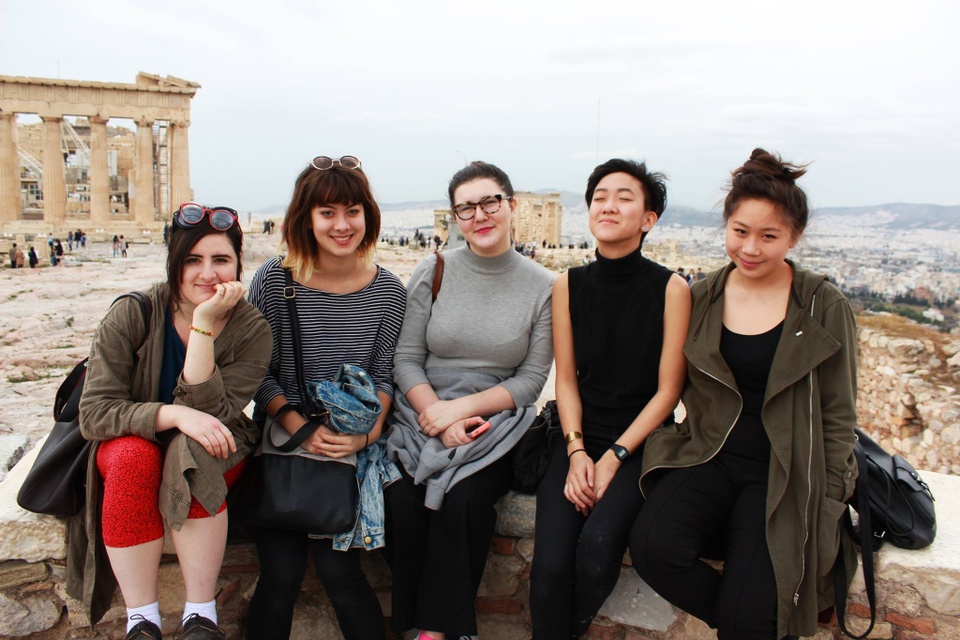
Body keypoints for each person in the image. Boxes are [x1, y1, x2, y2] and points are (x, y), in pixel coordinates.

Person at [629, 149, 859, 640]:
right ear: (726, 227)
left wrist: (832, 499)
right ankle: (752, 623)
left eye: (769, 236)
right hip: (711, 455)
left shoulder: (822, 304)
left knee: (747, 611)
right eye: (740, 232)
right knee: (653, 547)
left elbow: (838, 414)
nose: (751, 248)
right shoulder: (704, 296)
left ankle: (748, 621)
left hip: (781, 473)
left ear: (794, 238)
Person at [66, 203, 273, 639]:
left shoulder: (252, 329)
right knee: (132, 455)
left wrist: (202, 325)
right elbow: (95, 412)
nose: (208, 273)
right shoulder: (132, 313)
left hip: (213, 446)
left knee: (192, 450)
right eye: (192, 261)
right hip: (133, 448)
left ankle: (202, 617)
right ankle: (142, 623)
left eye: (221, 260)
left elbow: (214, 416)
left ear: (238, 263)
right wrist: (172, 413)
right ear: (173, 263)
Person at [385, 161, 555, 640]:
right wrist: (433, 415)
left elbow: (531, 379)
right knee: (401, 501)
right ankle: (439, 629)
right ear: (455, 217)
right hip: (419, 409)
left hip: (494, 421)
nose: (479, 215)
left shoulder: (544, 285)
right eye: (466, 208)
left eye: (489, 202)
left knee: (463, 503)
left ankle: (429, 633)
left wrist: (459, 413)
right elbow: (406, 360)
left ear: (510, 205)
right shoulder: (433, 268)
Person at [245, 155, 406, 640]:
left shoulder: (389, 291)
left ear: (368, 216)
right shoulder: (276, 281)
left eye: (352, 211)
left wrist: (365, 438)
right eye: (328, 212)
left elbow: (384, 376)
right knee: (280, 576)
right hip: (287, 443)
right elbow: (257, 372)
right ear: (306, 219)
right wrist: (300, 427)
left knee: (341, 575)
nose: (342, 225)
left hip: (353, 450)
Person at [529, 159, 690, 638]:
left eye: (624, 197)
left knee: (597, 549)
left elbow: (669, 391)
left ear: (648, 219)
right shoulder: (569, 285)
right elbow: (568, 381)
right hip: (579, 433)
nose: (608, 205)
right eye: (600, 196)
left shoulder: (671, 288)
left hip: (641, 443)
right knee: (549, 568)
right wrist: (577, 450)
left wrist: (615, 456)